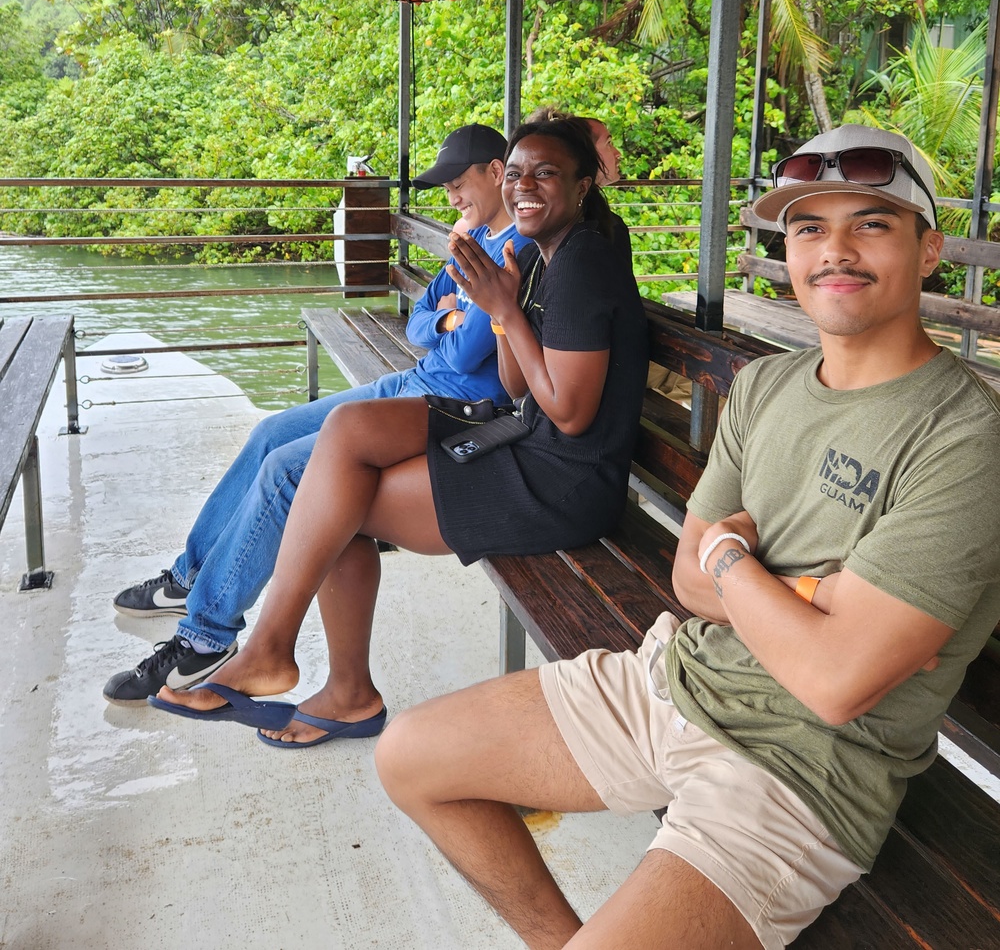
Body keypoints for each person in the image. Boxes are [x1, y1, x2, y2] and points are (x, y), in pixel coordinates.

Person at [373, 124, 1000, 949]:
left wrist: (734, 557)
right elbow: (688, 576)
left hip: (797, 771)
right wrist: (803, 594)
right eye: (810, 228)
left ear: (929, 250)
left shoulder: (962, 434)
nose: (834, 250)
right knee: (409, 757)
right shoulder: (770, 383)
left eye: (872, 225)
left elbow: (836, 680)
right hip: (674, 675)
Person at [148, 118, 647, 747]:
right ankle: (295, 663)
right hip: (524, 436)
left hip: (561, 481)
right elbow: (520, 387)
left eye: (545, 173)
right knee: (348, 432)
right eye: (516, 172)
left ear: (582, 186)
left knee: (334, 502)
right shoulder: (546, 254)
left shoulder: (584, 264)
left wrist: (502, 313)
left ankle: (308, 671)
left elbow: (570, 416)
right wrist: (505, 312)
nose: (524, 186)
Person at [104, 123, 528, 704]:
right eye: (446, 186)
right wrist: (448, 315)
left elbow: (457, 348)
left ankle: (206, 635)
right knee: (271, 432)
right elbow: (419, 322)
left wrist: (448, 320)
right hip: (413, 379)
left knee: (289, 468)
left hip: (455, 406)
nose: (451, 196)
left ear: (496, 172)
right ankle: (190, 576)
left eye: (458, 182)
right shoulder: (473, 238)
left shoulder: (512, 251)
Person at [526, 106, 630, 264]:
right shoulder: (604, 228)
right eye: (608, 143)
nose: (617, 153)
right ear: (585, 152)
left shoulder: (544, 218)